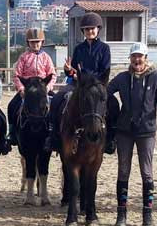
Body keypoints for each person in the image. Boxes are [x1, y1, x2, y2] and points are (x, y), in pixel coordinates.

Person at [107, 43, 157, 226]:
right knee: (123, 171)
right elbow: (106, 92)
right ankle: (121, 214)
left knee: (147, 172)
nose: (137, 60)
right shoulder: (123, 78)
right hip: (125, 130)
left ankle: (147, 215)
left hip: (147, 131)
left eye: (140, 56)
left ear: (145, 58)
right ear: (130, 59)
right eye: (133, 57)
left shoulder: (156, 78)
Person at [45, 12, 116, 154]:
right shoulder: (79, 49)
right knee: (58, 98)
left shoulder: (104, 49)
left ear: (98, 29)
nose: (90, 31)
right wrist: (68, 70)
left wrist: (85, 77)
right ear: (83, 31)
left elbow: (105, 70)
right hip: (78, 84)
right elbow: (73, 70)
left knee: (113, 103)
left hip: (97, 85)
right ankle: (53, 135)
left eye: (92, 28)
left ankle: (111, 139)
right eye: (87, 29)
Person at [7, 28, 56, 145]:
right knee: (12, 105)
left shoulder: (46, 57)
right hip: (28, 89)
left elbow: (52, 75)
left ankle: (54, 132)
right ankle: (12, 133)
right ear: (28, 43)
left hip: (43, 89)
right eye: (32, 42)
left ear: (42, 42)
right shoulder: (23, 57)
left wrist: (47, 88)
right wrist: (21, 89)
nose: (35, 44)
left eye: (37, 42)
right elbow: (17, 75)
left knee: (56, 104)